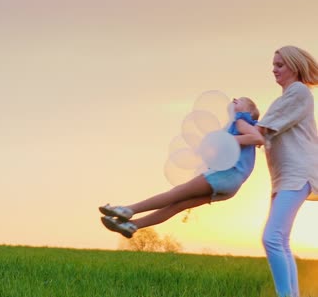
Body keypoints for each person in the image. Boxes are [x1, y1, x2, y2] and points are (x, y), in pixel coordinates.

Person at [99, 96, 264, 238]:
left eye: (241, 100)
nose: (234, 99)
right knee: (178, 205)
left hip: (228, 175)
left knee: (174, 194)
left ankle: (127, 210)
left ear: (248, 112)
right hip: (232, 185)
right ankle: (132, 225)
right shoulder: (234, 126)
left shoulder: (241, 120)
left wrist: (231, 140)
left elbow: (257, 138)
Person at [256, 45, 318, 297]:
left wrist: (236, 125)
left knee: (271, 237)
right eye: (273, 64)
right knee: (280, 238)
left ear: (294, 66)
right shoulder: (284, 98)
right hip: (284, 177)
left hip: (298, 173)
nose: (274, 69)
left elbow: (262, 130)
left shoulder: (298, 92)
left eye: (279, 64)